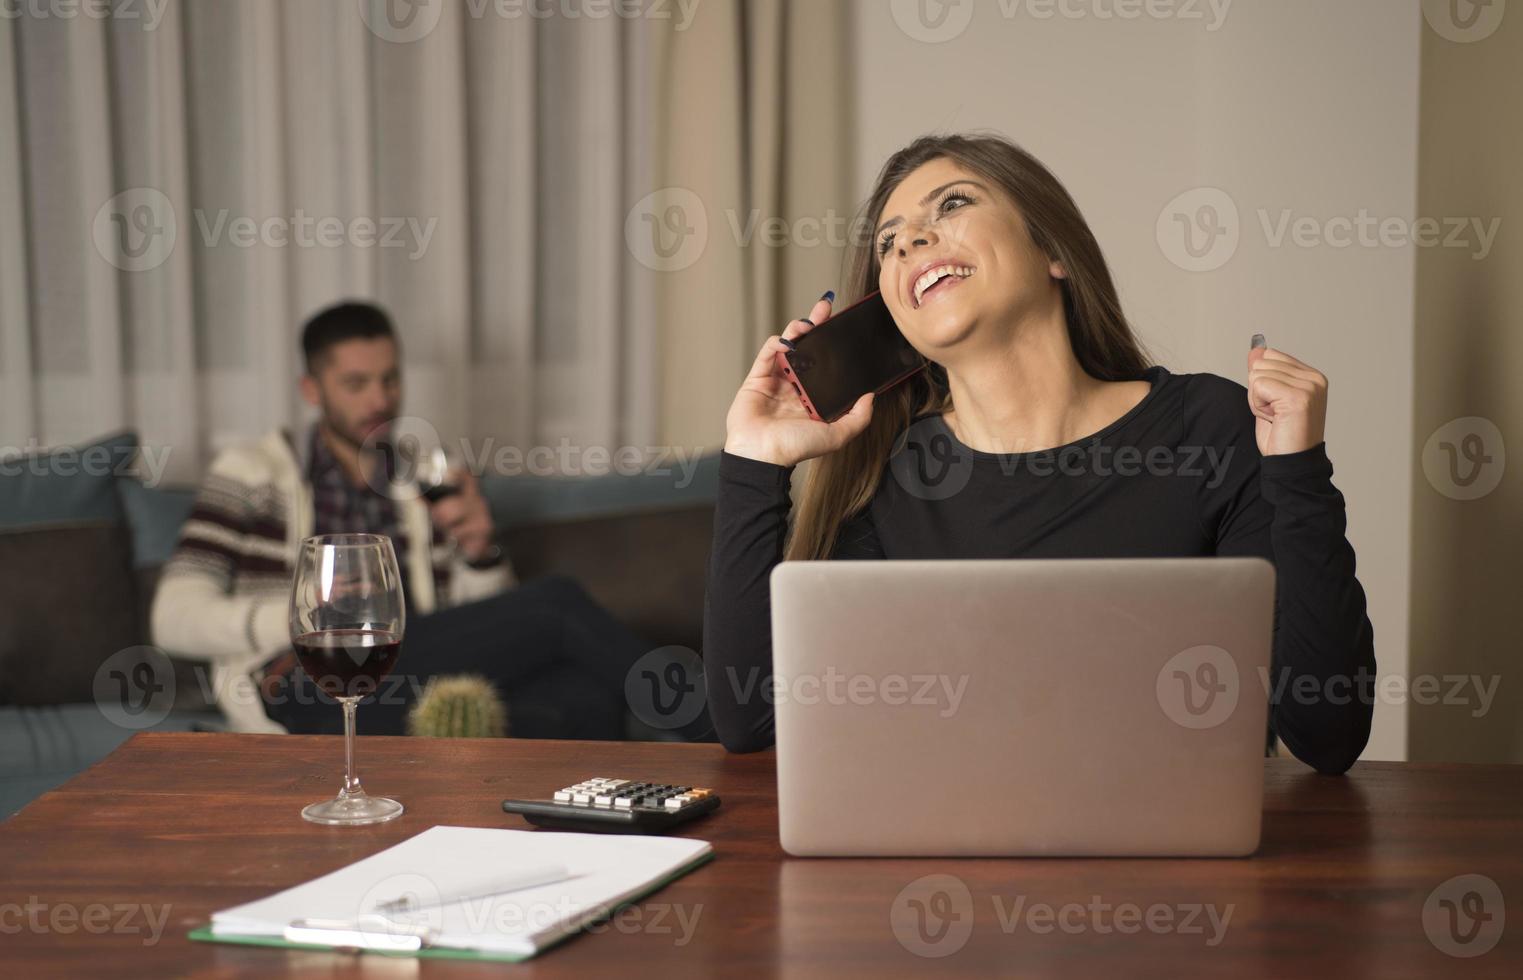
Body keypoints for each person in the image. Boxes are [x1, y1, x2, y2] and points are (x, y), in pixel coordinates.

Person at [703, 133, 1376, 774]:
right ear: (894, 320)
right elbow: (750, 724)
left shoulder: (1208, 428)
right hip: (945, 868)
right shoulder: (893, 480)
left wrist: (1297, 468)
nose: (909, 239)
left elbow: (1327, 735)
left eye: (952, 204)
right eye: (888, 243)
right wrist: (754, 461)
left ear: (1052, 251)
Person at [151, 302, 652, 739]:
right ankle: (713, 724)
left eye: (390, 379)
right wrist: (305, 617)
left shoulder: (425, 476)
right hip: (306, 677)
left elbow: (485, 625)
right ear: (311, 389)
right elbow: (171, 618)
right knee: (557, 603)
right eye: (356, 383)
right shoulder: (251, 473)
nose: (379, 400)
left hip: (413, 669)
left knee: (585, 696)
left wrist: (480, 553)